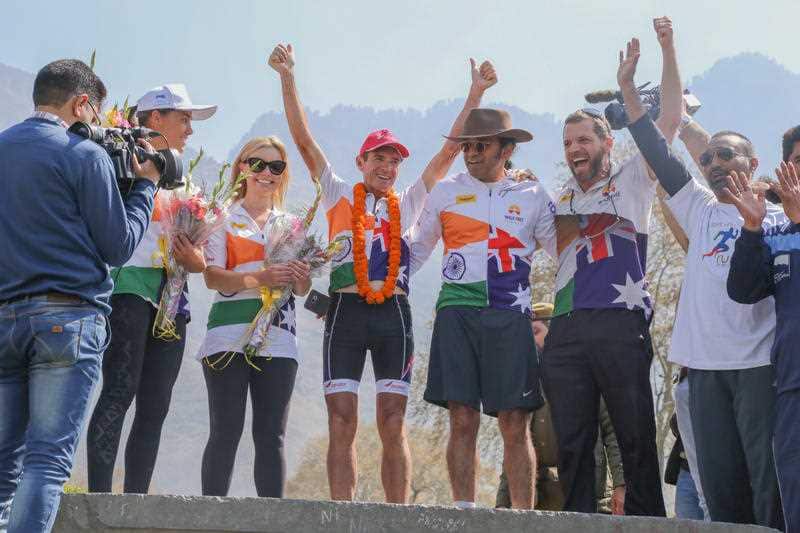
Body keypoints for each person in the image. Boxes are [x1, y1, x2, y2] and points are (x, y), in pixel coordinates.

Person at [268, 43, 497, 503]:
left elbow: (445, 157)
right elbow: (305, 143)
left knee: (393, 419)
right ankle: (343, 515)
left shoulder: (409, 201)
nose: (388, 167)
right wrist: (288, 78)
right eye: (379, 158)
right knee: (342, 420)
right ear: (361, 162)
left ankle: (399, 517)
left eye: (394, 161)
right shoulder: (337, 194)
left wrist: (475, 94)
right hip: (346, 313)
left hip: (394, 313)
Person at [620, 31, 784, 528]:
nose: (713, 164)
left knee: (766, 482)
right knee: (719, 485)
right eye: (708, 158)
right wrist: (631, 88)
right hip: (703, 370)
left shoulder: (780, 218)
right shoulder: (699, 209)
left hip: (759, 365)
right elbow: (655, 142)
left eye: (726, 156)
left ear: (752, 164)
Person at [0, 59, 159, 533]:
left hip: (4, 319)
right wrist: (145, 187)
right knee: (47, 461)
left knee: (3, 463)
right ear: (82, 103)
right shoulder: (82, 154)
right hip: (67, 321)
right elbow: (118, 246)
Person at [541, 18, 681, 517]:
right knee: (573, 442)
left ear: (607, 142)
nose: (575, 149)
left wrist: (664, 52)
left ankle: (647, 522)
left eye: (584, 139)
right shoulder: (555, 202)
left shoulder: (634, 177)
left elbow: (668, 123)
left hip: (620, 322)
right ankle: (579, 520)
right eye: (567, 143)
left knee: (634, 431)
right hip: (565, 327)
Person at [410, 106, 556, 509]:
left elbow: (566, 254)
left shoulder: (533, 195)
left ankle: (522, 518)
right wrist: (378, 286)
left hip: (511, 314)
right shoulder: (445, 190)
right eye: (466, 145)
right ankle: (465, 513)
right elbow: (416, 250)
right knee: (462, 418)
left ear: (506, 149)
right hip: (457, 311)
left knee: (514, 422)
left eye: (481, 145)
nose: (471, 152)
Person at [86, 84, 216, 494]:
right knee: (120, 390)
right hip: (128, 288)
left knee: (156, 405)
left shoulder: (185, 181)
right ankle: (101, 501)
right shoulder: (118, 158)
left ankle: (137, 502)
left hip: (173, 297)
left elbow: (201, 252)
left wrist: (196, 260)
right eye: (184, 119)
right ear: (155, 118)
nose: (190, 131)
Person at [196, 137, 311, 498]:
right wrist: (258, 278)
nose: (266, 173)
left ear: (284, 175)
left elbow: (303, 289)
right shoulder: (221, 217)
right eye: (257, 163)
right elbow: (212, 277)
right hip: (227, 335)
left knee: (271, 435)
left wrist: (301, 272)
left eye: (276, 167)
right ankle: (210, 519)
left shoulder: (292, 223)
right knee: (226, 430)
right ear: (242, 167)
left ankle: (273, 519)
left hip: (279, 338)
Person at [726, 157, 800, 533]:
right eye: (799, 161)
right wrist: (752, 230)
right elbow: (743, 290)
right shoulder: (778, 233)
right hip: (791, 386)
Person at [495, 303, 625, 514]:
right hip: (539, 503)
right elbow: (515, 447)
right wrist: (503, 501)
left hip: (588, 498)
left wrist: (621, 486)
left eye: (536, 332)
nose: (529, 341)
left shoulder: (589, 376)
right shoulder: (525, 385)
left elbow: (614, 434)